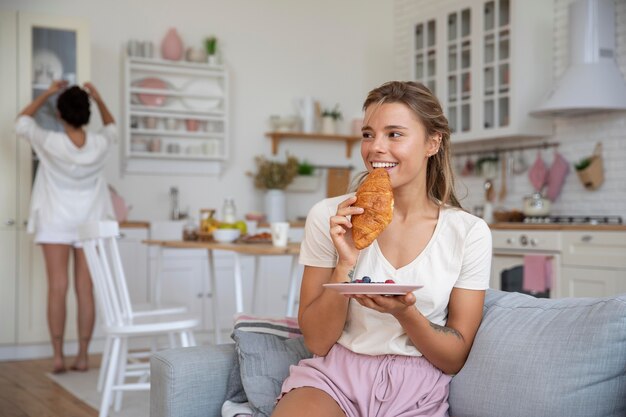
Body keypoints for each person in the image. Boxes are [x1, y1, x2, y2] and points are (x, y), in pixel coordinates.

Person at [272, 81, 492, 417]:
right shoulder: (329, 217)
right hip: (334, 379)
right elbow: (316, 342)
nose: (375, 148)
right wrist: (346, 260)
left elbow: (454, 357)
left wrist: (405, 313)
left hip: (417, 387)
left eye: (394, 134)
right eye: (368, 134)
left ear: (433, 142)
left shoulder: (469, 233)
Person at [15, 80, 116, 373]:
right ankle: (83, 355)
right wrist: (97, 96)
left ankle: (58, 356)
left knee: (57, 287)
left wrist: (47, 93)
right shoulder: (99, 144)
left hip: (55, 219)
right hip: (90, 221)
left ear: (60, 114)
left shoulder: (50, 141)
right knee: (86, 289)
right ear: (87, 114)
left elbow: (22, 122)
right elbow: (112, 126)